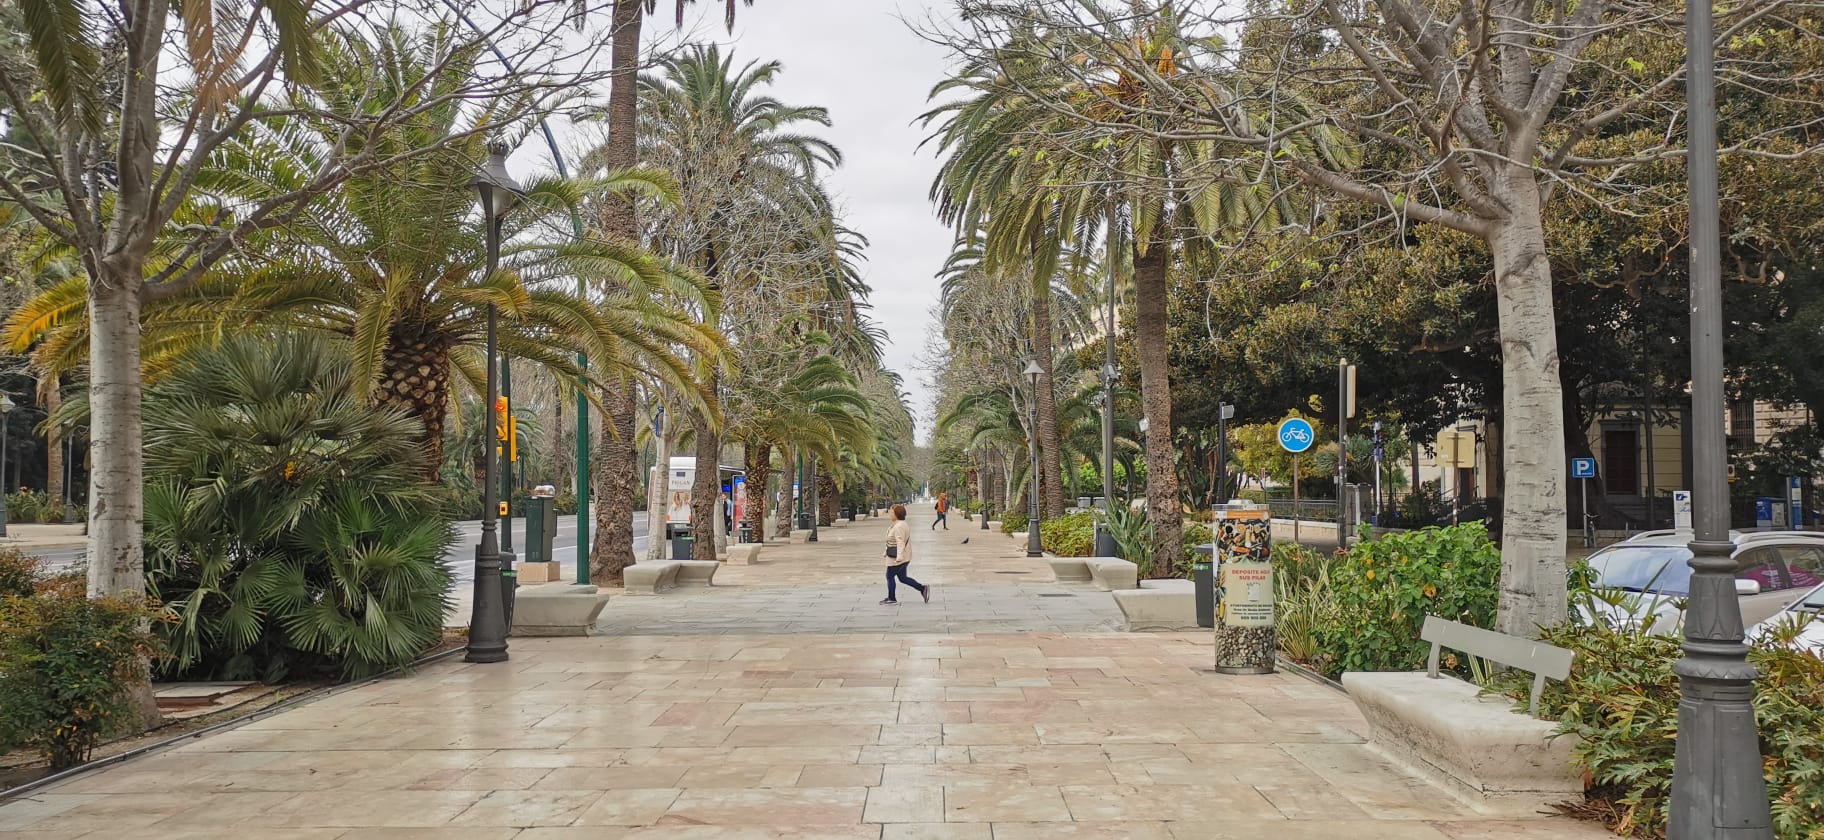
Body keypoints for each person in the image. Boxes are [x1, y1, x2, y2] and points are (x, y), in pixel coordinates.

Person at [883, 503, 931, 605]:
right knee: (903, 578)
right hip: (903, 556)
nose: (890, 514)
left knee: (889, 576)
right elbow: (893, 541)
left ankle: (892, 598)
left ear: (897, 514)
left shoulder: (899, 526)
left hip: (897, 558)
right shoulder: (900, 524)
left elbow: (900, 542)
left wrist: (899, 557)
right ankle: (923, 588)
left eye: (891, 512)